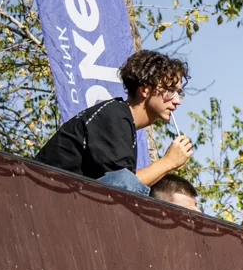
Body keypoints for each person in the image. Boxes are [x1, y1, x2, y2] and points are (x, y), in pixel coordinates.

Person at [36, 50, 193, 195]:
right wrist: (168, 162)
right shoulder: (114, 116)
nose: (177, 101)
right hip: (41, 195)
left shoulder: (122, 119)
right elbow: (122, 188)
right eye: (170, 90)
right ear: (145, 89)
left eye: (179, 93)